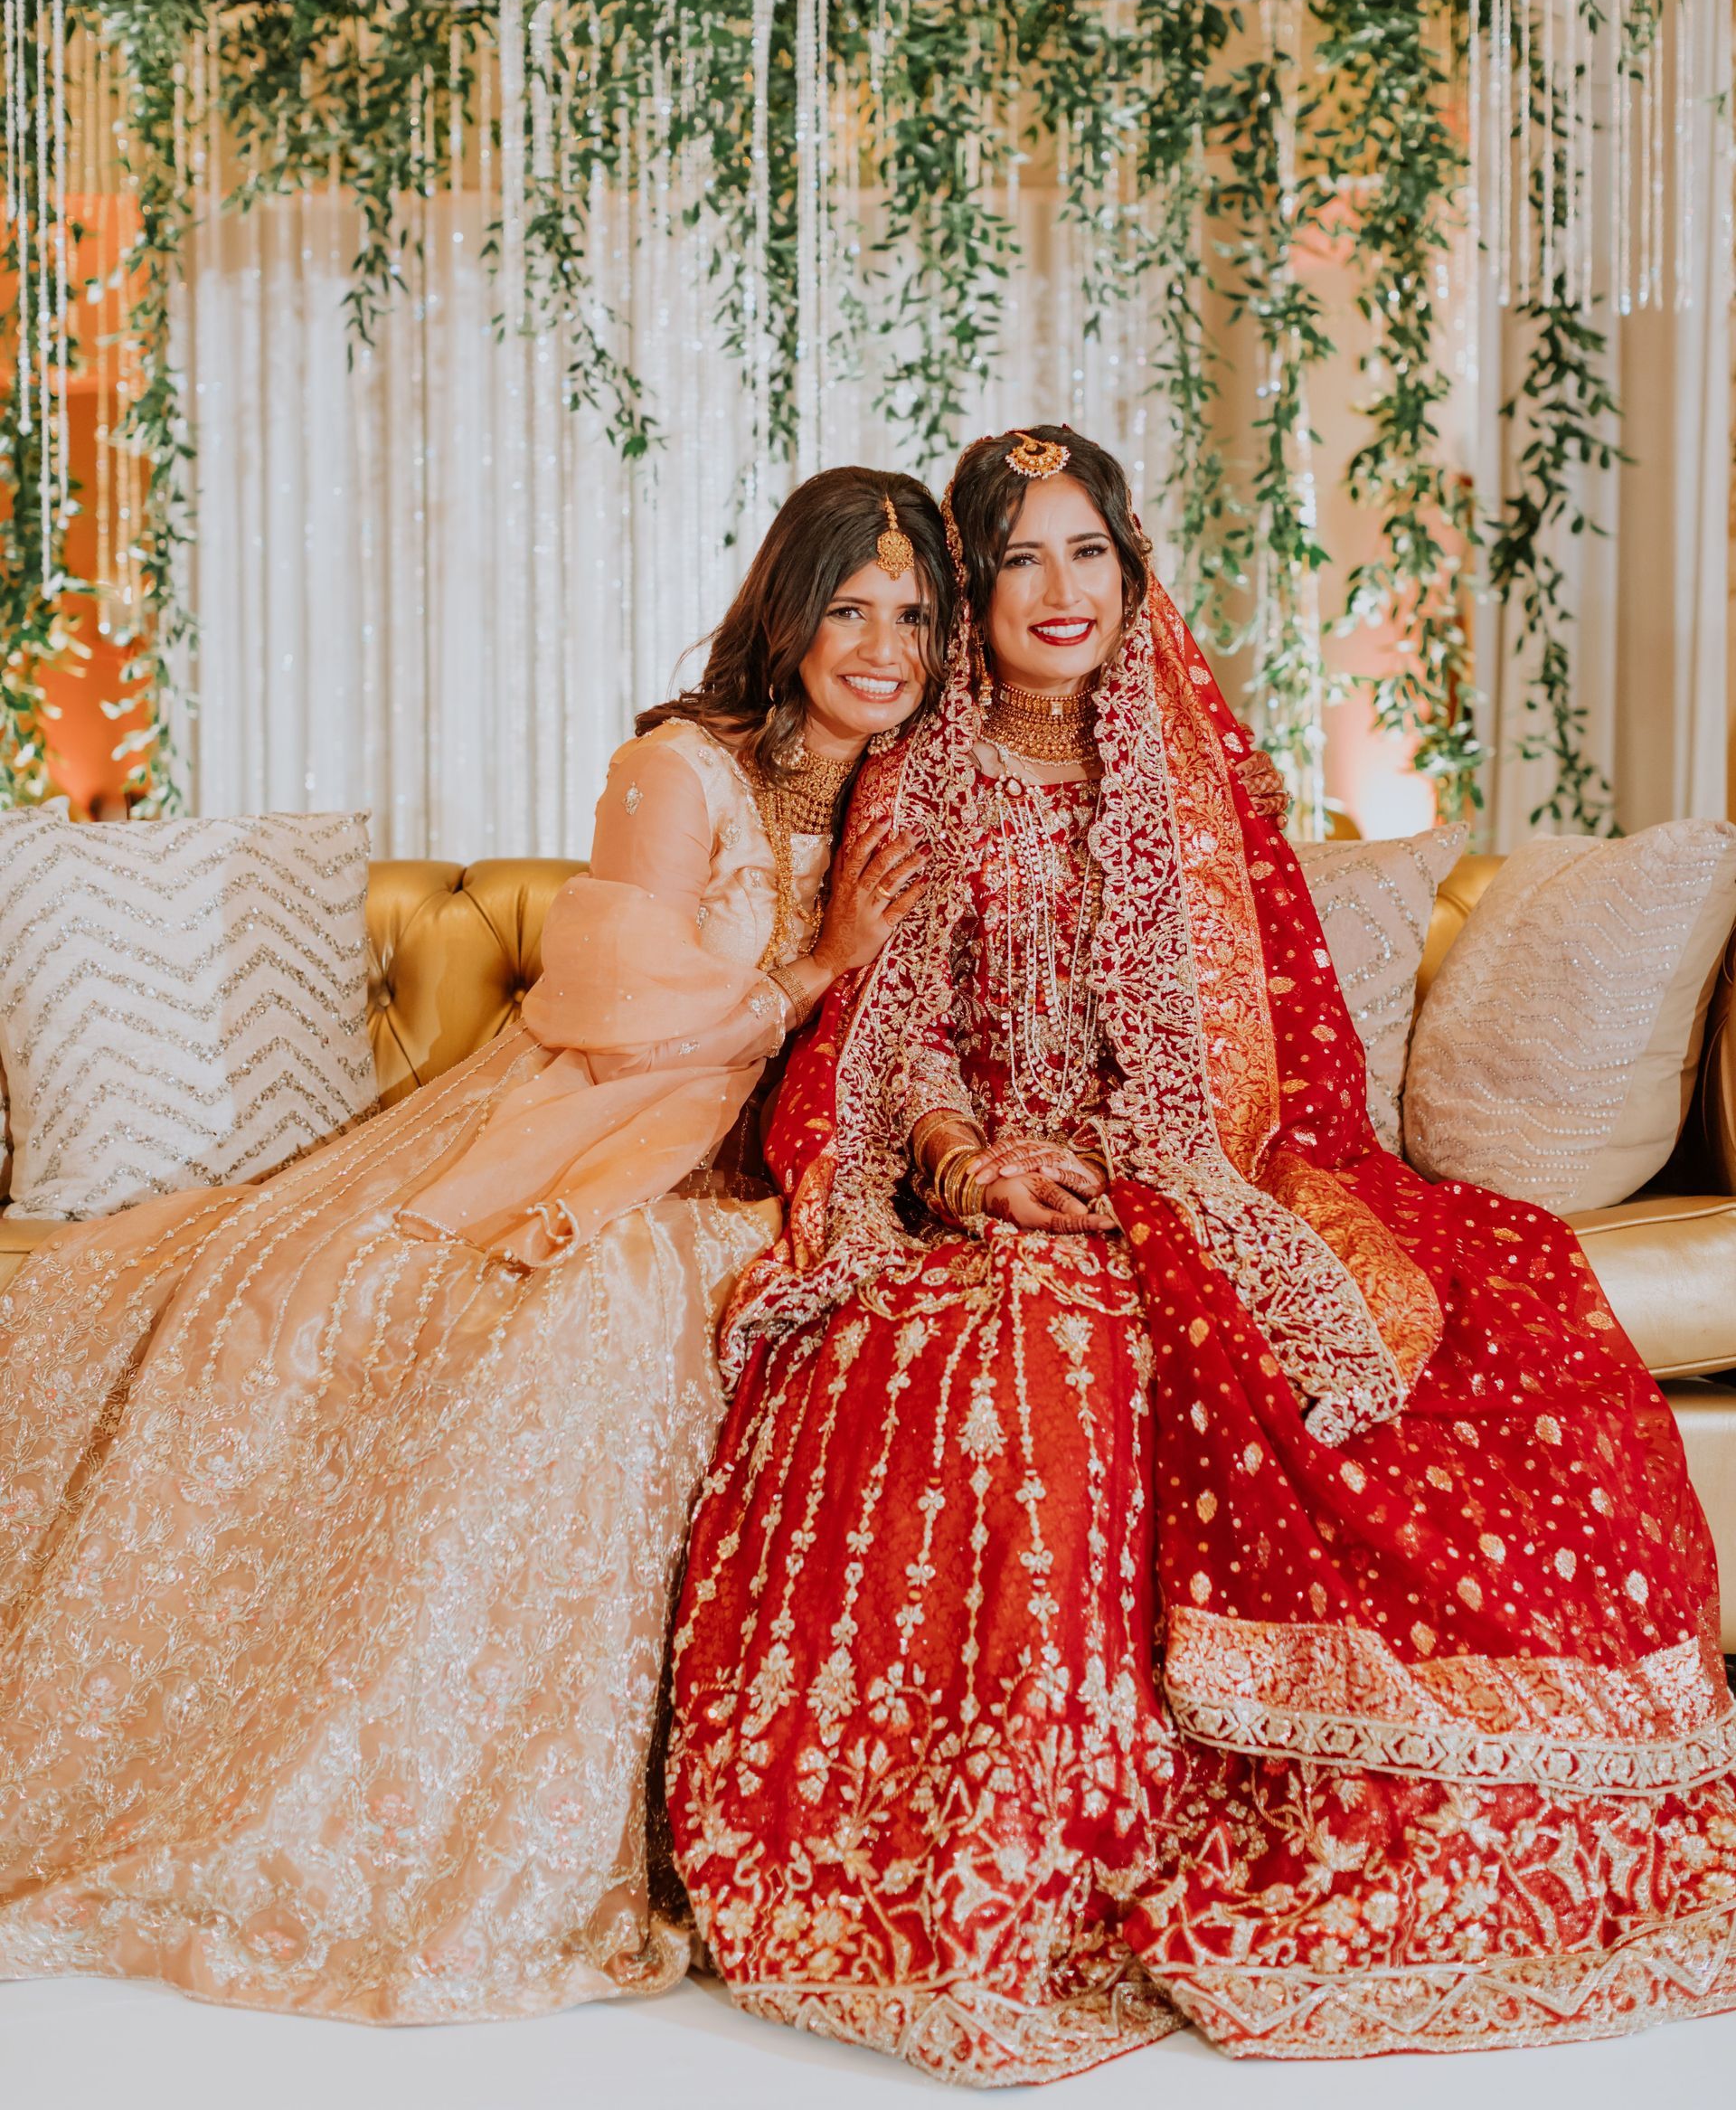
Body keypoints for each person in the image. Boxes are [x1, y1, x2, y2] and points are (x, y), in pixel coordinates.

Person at [667, 424, 1736, 2086]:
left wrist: (1223, 1188)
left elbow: (1294, 1053)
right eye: (1021, 557)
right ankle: (1034, 1854)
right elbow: (901, 1029)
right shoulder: (924, 776)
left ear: (1133, 567)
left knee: (1453, 1306)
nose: (1062, 589)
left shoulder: (1200, 775)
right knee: (1013, 1345)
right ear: (972, 588)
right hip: (1010, 1187)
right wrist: (968, 1163)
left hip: (1198, 1172)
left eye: (1089, 551)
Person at [0, 466, 947, 2024]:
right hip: (586, 1118)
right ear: (787, 613)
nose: (884, 646)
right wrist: (817, 965)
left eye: (912, 615)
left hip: (763, 1154)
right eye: (850, 606)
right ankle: (399, 1809)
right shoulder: (683, 770)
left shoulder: (906, 785)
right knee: (545, 1323)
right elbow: (607, 1010)